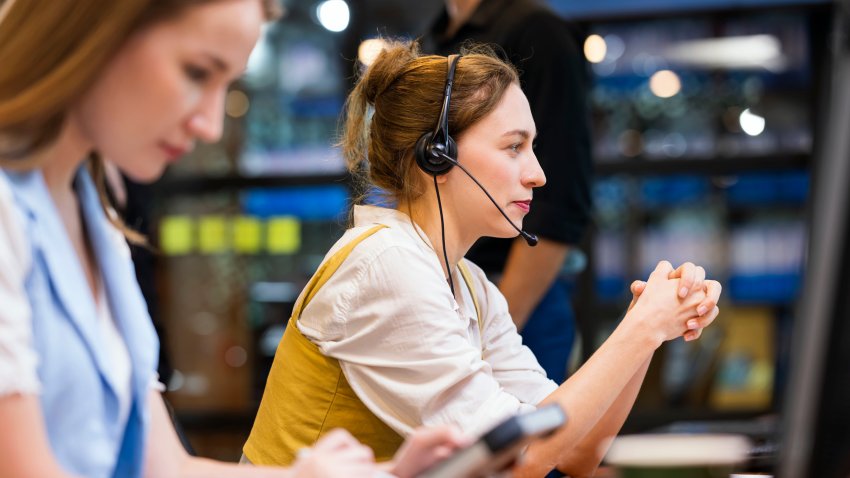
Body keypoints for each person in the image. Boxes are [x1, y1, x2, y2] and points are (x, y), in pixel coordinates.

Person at [0, 1, 466, 477]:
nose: (210, 125)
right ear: (94, 32)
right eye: (197, 72)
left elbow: (165, 466)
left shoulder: (92, 212)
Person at [244, 41, 722, 477]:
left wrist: (647, 328)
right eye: (514, 147)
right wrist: (642, 330)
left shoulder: (467, 282)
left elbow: (574, 450)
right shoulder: (386, 266)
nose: (537, 174)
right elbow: (519, 463)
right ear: (437, 154)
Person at [421, 0, 594, 384]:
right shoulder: (437, 37)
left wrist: (499, 326)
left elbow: (561, 201)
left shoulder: (537, 31)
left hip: (519, 291)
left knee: (538, 437)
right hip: (450, 285)